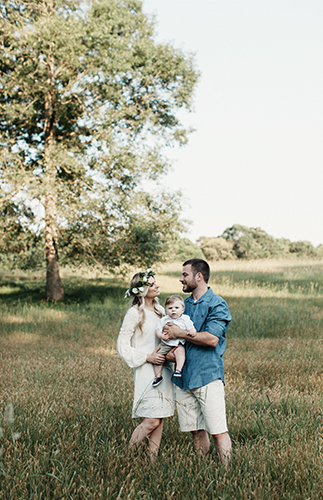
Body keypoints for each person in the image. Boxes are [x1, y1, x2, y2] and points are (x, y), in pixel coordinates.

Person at [163, 258, 232, 465]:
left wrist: (180, 332)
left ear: (198, 276)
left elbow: (212, 339)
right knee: (196, 431)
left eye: (185, 274)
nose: (181, 279)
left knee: (218, 431)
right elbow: (170, 338)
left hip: (207, 376)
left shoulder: (216, 303)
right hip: (184, 378)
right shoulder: (181, 306)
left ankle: (227, 472)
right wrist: (168, 354)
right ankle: (201, 470)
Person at [117, 268, 174, 461]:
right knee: (151, 420)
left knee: (160, 418)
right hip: (146, 369)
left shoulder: (160, 311)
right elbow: (122, 344)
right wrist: (147, 357)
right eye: (151, 284)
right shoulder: (135, 313)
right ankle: (127, 455)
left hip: (164, 369)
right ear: (141, 290)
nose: (157, 285)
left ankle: (152, 462)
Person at [152, 295, 196, 387]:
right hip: (166, 343)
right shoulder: (164, 319)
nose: (173, 310)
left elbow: (191, 327)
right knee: (157, 356)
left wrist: (192, 331)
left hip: (178, 343)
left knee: (180, 351)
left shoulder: (185, 319)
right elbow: (158, 330)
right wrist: (161, 336)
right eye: (170, 308)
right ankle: (158, 376)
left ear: (182, 310)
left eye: (176, 308)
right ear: (166, 310)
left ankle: (178, 369)